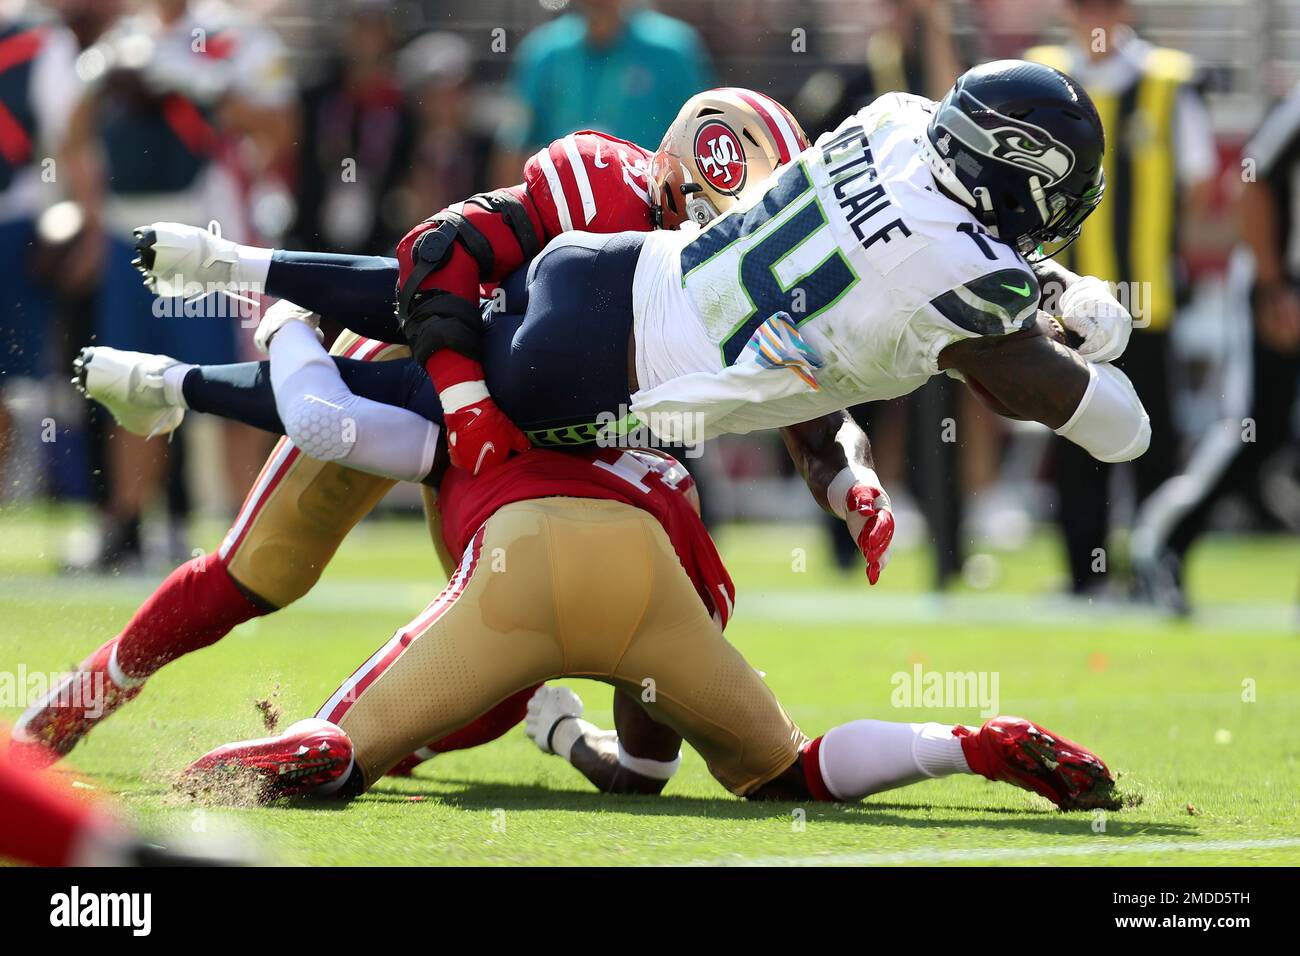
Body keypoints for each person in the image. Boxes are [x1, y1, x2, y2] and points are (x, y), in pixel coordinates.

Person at [13, 92, 890, 775]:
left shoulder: (742, 272)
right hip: (433, 356)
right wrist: (465, 395)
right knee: (257, 572)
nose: (716, 251)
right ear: (674, 177)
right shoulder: (601, 191)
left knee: (506, 655)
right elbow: (432, 260)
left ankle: (359, 745)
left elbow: (803, 398)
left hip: (532, 435)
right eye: (707, 222)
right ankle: (70, 705)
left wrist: (852, 480)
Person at [180, 430, 1119, 813]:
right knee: (785, 772)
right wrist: (569, 736)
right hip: (656, 577)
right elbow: (643, 775)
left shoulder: (510, 354)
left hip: (521, 557)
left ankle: (315, 749)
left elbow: (361, 411)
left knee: (348, 755)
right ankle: (974, 746)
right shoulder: (674, 432)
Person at [60, 0, 295, 569]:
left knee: (234, 381)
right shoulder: (123, 39)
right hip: (128, 233)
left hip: (205, 231)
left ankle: (251, 526)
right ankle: (126, 524)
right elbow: (72, 134)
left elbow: (280, 131)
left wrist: (203, 88)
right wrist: (92, 217)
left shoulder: (233, 39)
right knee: (130, 378)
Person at [1024, 0, 1216, 597]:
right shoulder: (1041, 76)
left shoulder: (1167, 82)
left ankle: (1156, 565)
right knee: (1075, 431)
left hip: (1146, 300)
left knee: (1152, 439)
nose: (1091, 18)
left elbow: (1201, 184)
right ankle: (1086, 573)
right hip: (1065, 301)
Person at [1130, 85, 1300, 613]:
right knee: (1256, 431)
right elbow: (1250, 182)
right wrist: (1274, 286)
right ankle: (1162, 543)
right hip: (1285, 290)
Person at [490, 0, 713, 186]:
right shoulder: (544, 51)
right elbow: (513, 145)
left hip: (651, 212)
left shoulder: (673, 50)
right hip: (559, 210)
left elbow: (699, 141)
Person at [0, 10, 80, 489]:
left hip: (14, 217)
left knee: (13, 376)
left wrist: (63, 218)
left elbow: (65, 136)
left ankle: (15, 488)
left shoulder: (39, 39)